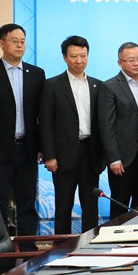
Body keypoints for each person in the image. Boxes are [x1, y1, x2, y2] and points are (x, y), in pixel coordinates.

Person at [0, 23, 44, 248]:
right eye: (15, 41)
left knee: (28, 203)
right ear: (1, 43)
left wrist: (41, 146)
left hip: (27, 149)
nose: (20, 45)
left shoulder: (36, 74)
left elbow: (41, 115)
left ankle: (28, 249)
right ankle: (0, 250)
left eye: (23, 41)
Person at [40, 35, 103, 234]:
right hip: (63, 156)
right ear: (65, 57)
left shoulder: (97, 86)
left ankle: (90, 245)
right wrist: (49, 156)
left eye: (83, 56)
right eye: (74, 56)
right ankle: (61, 247)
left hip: (90, 153)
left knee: (91, 206)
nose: (79, 60)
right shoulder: (52, 85)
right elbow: (45, 123)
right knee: (63, 206)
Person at [97, 42, 138, 219]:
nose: (136, 63)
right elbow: (106, 125)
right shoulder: (110, 86)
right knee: (120, 204)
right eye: (131, 60)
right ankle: (117, 235)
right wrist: (113, 158)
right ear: (120, 63)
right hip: (123, 156)